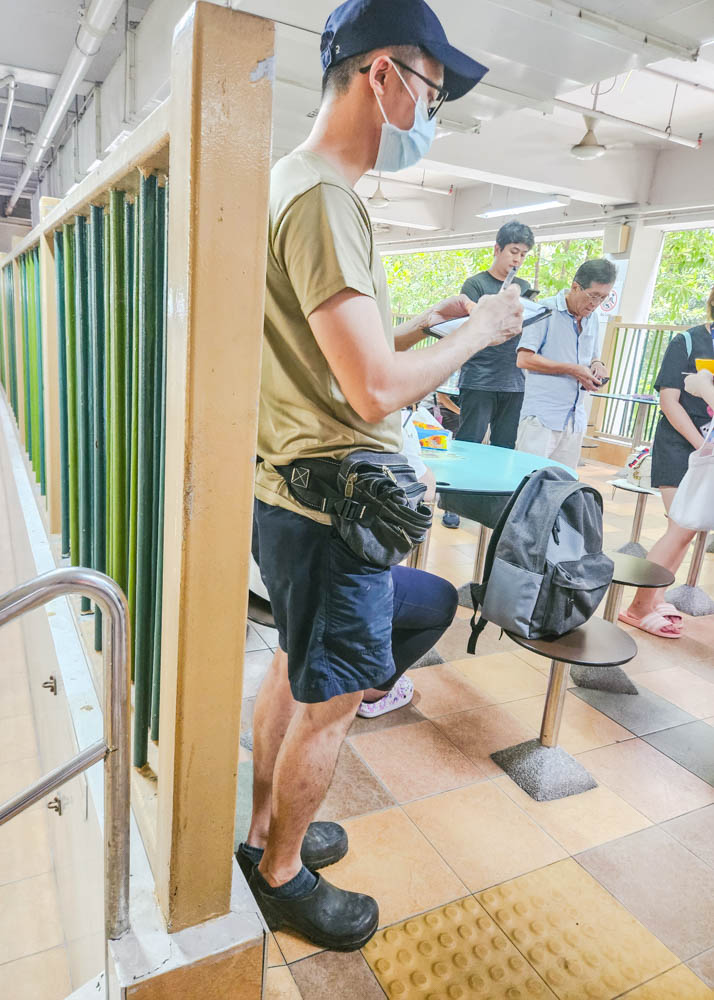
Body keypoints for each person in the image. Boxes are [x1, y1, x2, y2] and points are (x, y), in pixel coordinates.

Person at [239, 0, 523, 953]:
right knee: (333, 698)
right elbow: (369, 392)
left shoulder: (294, 182)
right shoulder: (324, 196)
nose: (431, 115)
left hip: (288, 495)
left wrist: (418, 326)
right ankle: (281, 876)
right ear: (383, 76)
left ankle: (261, 832)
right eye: (433, 91)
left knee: (292, 667)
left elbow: (322, 357)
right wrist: (480, 329)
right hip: (334, 509)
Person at [620, 297, 714, 638]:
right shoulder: (687, 342)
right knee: (680, 526)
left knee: (687, 531)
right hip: (680, 445)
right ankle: (638, 607)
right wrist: (701, 445)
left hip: (708, 451)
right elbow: (669, 402)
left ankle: (656, 598)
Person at [442, 220, 534, 528]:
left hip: (514, 381)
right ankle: (453, 502)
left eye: (523, 254)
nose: (517, 259)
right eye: (513, 251)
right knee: (468, 441)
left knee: (504, 447)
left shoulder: (524, 291)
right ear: (497, 249)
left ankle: (495, 505)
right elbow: (471, 326)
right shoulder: (476, 285)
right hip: (480, 377)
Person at [515, 258, 616, 469]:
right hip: (541, 418)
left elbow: (592, 357)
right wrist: (572, 369)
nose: (595, 304)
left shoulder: (593, 319)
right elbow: (524, 358)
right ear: (575, 287)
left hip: (574, 419)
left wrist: (598, 365)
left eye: (603, 298)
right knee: (526, 482)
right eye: (593, 296)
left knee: (562, 487)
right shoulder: (544, 310)